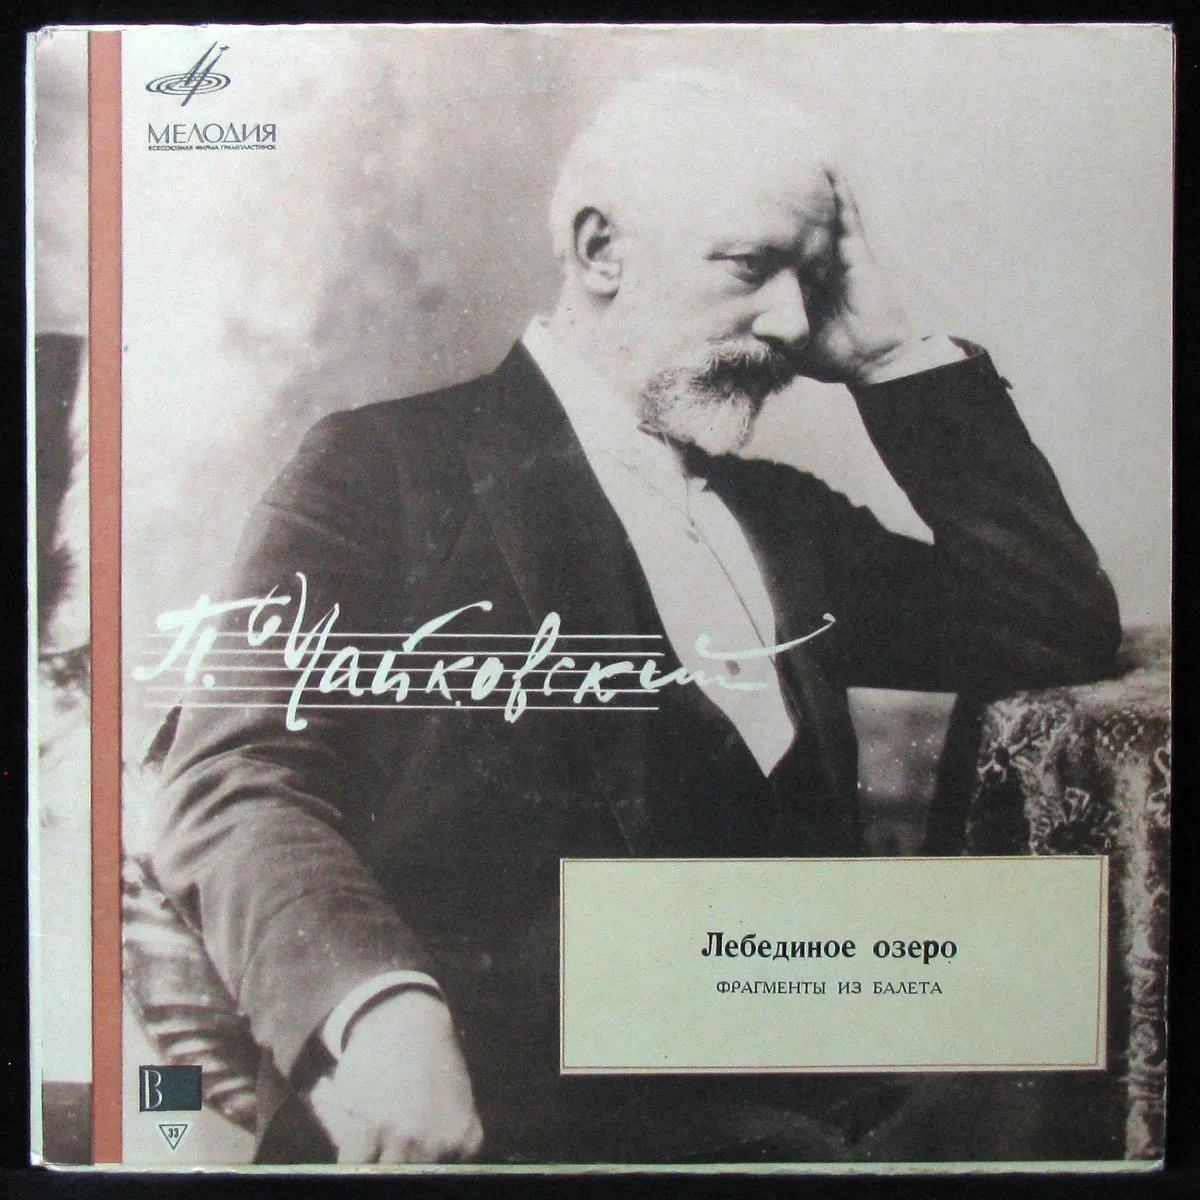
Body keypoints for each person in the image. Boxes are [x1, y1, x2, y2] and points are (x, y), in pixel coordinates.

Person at [151, 71, 1120, 1164]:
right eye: (751, 266)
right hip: (503, 1127)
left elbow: (1051, 622)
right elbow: (234, 774)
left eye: (809, 279)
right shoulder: (383, 471)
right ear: (601, 248)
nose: (793, 322)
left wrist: (897, 360)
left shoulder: (788, 517)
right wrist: (379, 1014)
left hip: (805, 1129)